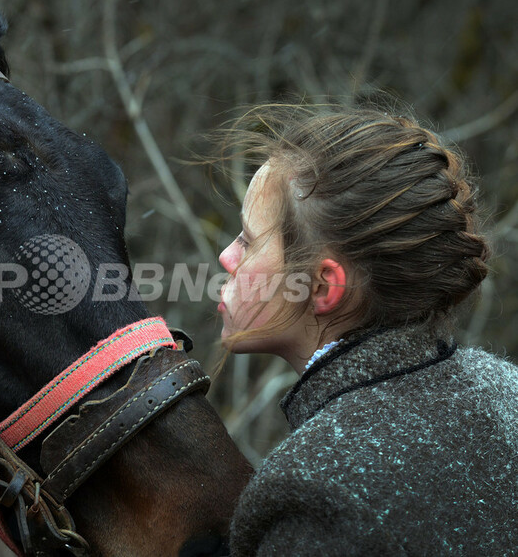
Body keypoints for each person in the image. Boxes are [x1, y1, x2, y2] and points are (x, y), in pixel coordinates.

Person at [215, 104, 518, 555]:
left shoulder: (316, 495)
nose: (227, 257)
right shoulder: (507, 391)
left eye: (247, 240)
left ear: (322, 286)